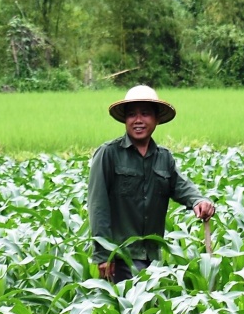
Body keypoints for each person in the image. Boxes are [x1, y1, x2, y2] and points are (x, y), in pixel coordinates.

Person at [88, 85, 216, 281]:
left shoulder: (163, 157)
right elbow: (98, 207)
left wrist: (199, 201)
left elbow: (181, 186)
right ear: (125, 120)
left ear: (156, 119)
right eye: (132, 114)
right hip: (122, 257)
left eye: (145, 114)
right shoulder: (109, 154)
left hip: (153, 258)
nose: (138, 120)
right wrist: (104, 254)